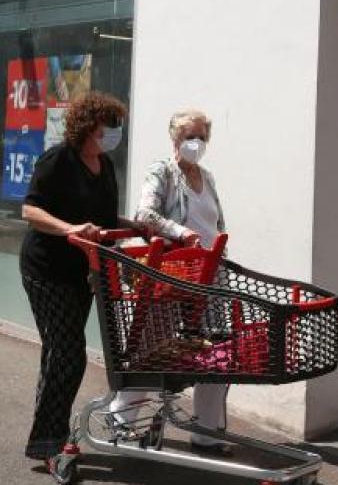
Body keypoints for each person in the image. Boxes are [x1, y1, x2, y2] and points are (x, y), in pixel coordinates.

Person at [19, 91, 138, 468]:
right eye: (109, 126)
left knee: (59, 352)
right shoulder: (58, 160)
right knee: (68, 354)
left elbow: (101, 218)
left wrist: (134, 226)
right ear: (89, 126)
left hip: (83, 273)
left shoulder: (105, 166)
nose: (114, 133)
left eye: (118, 126)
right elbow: (30, 209)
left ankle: (46, 434)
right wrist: (69, 228)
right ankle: (49, 443)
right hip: (46, 270)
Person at [110, 109, 231, 454]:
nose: (196, 143)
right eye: (189, 136)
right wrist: (182, 232)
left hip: (209, 280)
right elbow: (143, 215)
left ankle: (207, 433)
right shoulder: (162, 171)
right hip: (171, 278)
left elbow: (217, 225)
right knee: (153, 353)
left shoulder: (207, 177)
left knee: (215, 355)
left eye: (202, 137)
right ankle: (122, 426)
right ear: (175, 139)